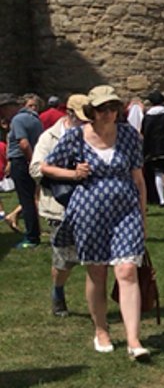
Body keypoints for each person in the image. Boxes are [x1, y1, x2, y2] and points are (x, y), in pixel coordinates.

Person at [41, 85, 150, 361]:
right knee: (97, 272)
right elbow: (46, 166)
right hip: (89, 211)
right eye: (103, 109)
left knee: (127, 270)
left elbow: (138, 179)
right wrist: (73, 173)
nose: (109, 113)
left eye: (114, 108)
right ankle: (101, 330)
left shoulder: (129, 136)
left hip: (125, 210)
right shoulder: (76, 137)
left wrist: (143, 215)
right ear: (92, 111)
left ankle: (133, 339)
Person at [30, 93, 89, 316]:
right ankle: (58, 292)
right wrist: (71, 174)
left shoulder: (94, 135)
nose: (85, 123)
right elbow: (36, 169)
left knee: (98, 259)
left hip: (91, 205)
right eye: (81, 118)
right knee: (64, 258)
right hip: (60, 206)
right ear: (69, 115)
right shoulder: (50, 137)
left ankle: (99, 306)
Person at [7, 93, 44, 248]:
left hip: (22, 161)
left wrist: (30, 161)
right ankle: (35, 232)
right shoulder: (36, 119)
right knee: (32, 198)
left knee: (26, 200)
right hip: (33, 158)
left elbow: (23, 143)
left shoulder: (18, 119)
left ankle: (31, 237)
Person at [141, 91, 164, 207]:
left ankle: (162, 200)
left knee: (158, 173)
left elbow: (145, 133)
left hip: (154, 148)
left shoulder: (148, 116)